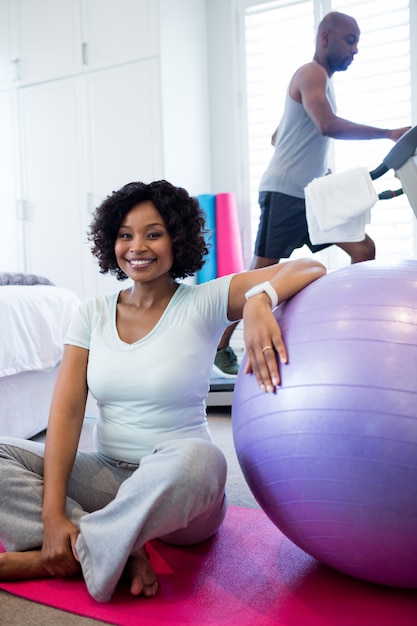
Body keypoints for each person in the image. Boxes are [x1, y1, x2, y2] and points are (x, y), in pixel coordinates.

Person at [0, 180, 326, 603]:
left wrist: (259, 300)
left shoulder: (203, 301)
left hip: (182, 488)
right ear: (110, 243)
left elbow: (311, 268)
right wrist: (53, 515)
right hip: (108, 475)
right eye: (125, 235)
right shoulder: (91, 313)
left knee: (202, 458)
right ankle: (108, 547)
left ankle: (74, 552)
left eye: (153, 233)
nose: (138, 246)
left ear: (178, 239)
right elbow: (65, 414)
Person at [214, 10, 410, 375]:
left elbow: (279, 135)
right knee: (259, 273)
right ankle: (219, 344)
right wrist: (387, 133)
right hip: (286, 194)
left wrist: (320, 170)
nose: (355, 50)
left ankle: (355, 328)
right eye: (350, 40)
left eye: (358, 43)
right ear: (325, 39)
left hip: (311, 197)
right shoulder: (312, 73)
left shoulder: (317, 81)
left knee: (363, 249)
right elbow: (325, 124)